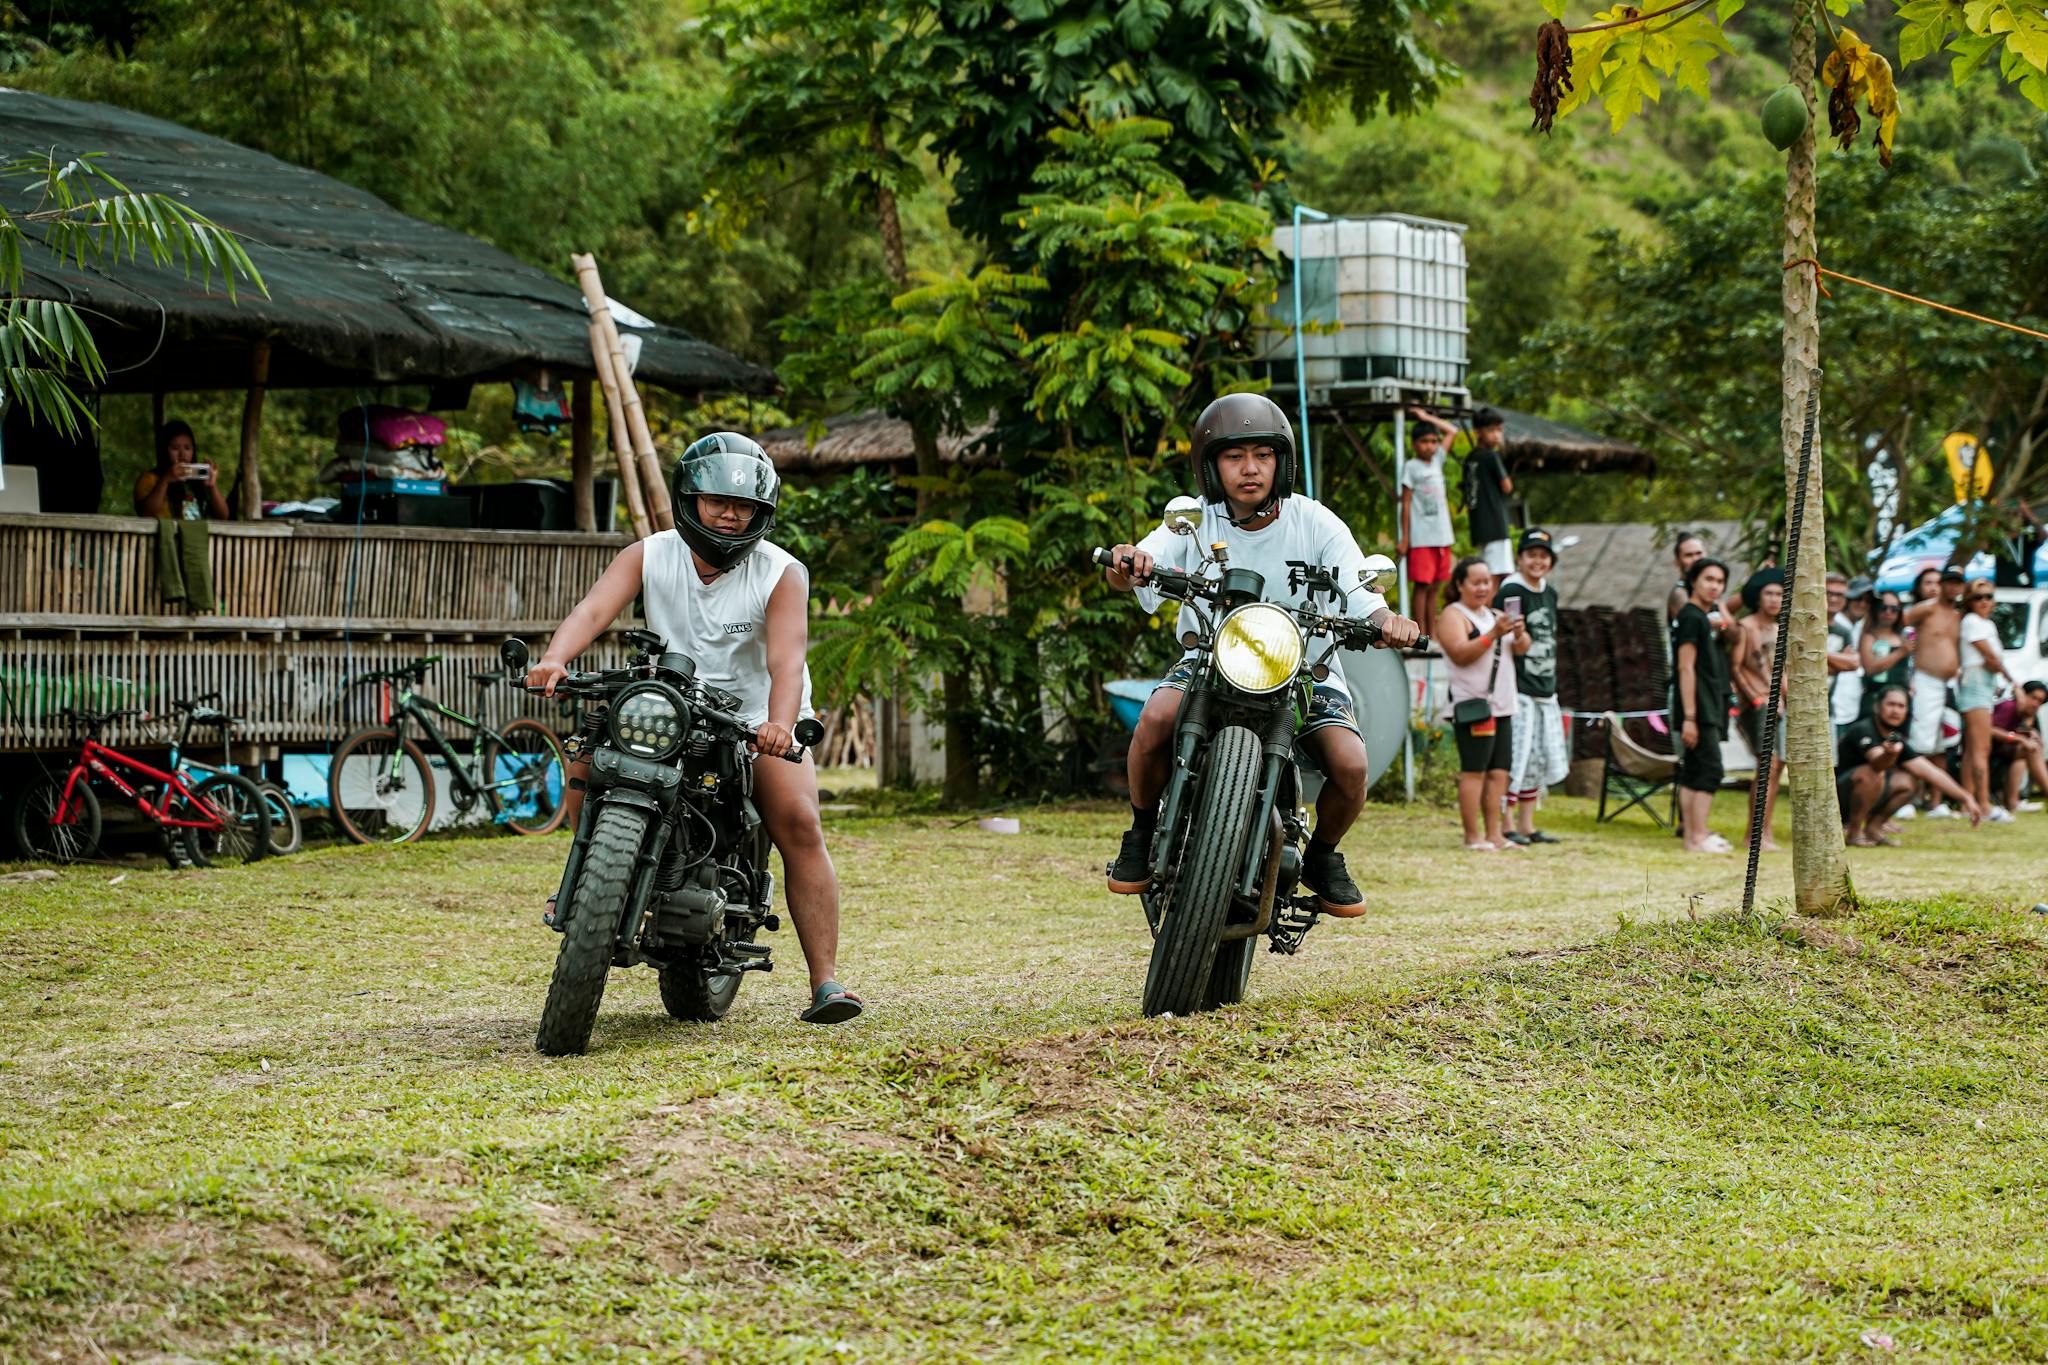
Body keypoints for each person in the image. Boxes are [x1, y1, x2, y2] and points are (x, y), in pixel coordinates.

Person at [525, 432, 861, 1025]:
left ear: (762, 513)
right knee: (585, 760)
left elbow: (786, 659)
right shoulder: (649, 554)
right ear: (690, 499)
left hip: (755, 719)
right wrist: (556, 658)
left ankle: (825, 982)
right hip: (668, 705)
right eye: (717, 503)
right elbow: (594, 611)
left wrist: (781, 724)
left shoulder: (781, 571)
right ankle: (589, 884)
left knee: (800, 822)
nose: (731, 516)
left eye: (744, 508)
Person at [1102, 393, 1421, 915]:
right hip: (1210, 658)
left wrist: (1388, 622)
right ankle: (1140, 831)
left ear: (1282, 461)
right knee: (1156, 717)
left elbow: (1365, 595)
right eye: (1234, 456)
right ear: (1212, 466)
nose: (1250, 469)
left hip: (1304, 671)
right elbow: (1137, 564)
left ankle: (1323, 854)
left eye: (1262, 455)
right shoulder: (1194, 522)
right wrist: (1126, 561)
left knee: (1350, 765)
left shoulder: (1316, 522)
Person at [1439, 556, 1528, 851]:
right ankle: (1472, 836)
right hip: (1474, 705)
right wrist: (1494, 634)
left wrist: (1517, 632)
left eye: (1486, 582)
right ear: (1460, 584)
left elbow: (1523, 648)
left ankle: (1495, 834)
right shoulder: (1453, 614)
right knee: (1475, 770)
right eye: (1475, 582)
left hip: (1503, 705)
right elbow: (1460, 654)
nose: (1482, 587)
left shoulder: (1494, 614)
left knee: (1500, 771)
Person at [1837, 685, 1983, 845]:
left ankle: (1874, 829)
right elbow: (1877, 763)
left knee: (1908, 781)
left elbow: (1931, 773)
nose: (1895, 711)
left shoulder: (1895, 738)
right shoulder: (1863, 729)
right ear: (1877, 707)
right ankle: (1854, 833)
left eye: (1901, 706)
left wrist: (1966, 797)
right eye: (1891, 704)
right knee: (1870, 774)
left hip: (1866, 796)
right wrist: (1889, 754)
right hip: (1838, 799)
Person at [1496, 528, 1568, 845]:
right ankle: (1506, 822)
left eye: (1544, 556)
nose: (1538, 561)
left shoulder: (1549, 591)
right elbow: (1509, 637)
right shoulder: (1512, 589)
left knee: (1537, 757)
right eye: (1532, 555)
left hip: (1545, 685)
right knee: (1516, 757)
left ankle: (1528, 824)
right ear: (1520, 558)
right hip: (1520, 687)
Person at [1672, 557, 1735, 853]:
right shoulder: (1691, 617)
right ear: (1693, 581)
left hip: (1710, 703)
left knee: (1694, 770)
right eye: (1709, 579)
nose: (1715, 586)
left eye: (1720, 582)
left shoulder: (1706, 617)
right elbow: (1685, 668)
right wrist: (1690, 717)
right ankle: (1696, 837)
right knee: (1711, 770)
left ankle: (1694, 835)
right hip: (1698, 707)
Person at [1731, 567, 1786, 852]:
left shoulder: (1780, 630)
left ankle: (1765, 829)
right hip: (1758, 705)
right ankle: (1753, 834)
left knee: (1776, 769)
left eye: (1779, 594)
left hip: (1780, 705)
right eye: (1769, 594)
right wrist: (1752, 697)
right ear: (1758, 596)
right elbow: (1736, 666)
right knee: (1768, 765)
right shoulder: (1746, 627)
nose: (1775, 599)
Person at [1903, 567, 1966, 810]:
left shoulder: (1958, 615)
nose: (1952, 588)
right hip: (1925, 680)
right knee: (1919, 741)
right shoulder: (1927, 608)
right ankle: (1909, 797)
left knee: (1942, 744)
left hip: (1949, 685)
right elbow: (1900, 625)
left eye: (1957, 583)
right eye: (1948, 582)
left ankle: (1936, 802)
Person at [1957, 577, 2020, 822]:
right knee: (1981, 748)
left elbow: (1992, 661)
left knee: (1974, 748)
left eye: (1988, 596)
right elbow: (1992, 658)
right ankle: (1983, 804)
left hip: (1982, 683)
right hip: (1976, 684)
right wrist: (2011, 682)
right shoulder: (1973, 622)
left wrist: (1996, 671)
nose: (1984, 601)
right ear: (1969, 601)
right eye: (1978, 597)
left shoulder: (1985, 624)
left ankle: (1969, 801)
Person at [1398, 414, 1458, 641]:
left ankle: (1431, 635)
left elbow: (1452, 430)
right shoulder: (1411, 467)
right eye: (1425, 441)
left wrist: (1423, 416)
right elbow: (1405, 503)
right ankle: (1420, 633)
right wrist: (1405, 538)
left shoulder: (1437, 461)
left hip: (1442, 536)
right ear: (1414, 444)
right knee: (1422, 587)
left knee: (1435, 587)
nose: (1431, 446)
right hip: (1422, 537)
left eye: (1434, 441)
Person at [134, 420, 231, 521]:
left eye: (187, 448)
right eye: (175, 448)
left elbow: (223, 516)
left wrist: (212, 487)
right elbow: (146, 513)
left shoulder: (199, 479)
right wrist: (165, 480)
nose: (182, 454)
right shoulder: (149, 479)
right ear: (163, 450)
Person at [1990, 681, 2048, 814]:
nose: (2036, 704)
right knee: (2029, 749)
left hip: (2000, 752)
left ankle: (2012, 802)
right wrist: (2019, 738)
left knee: (2026, 752)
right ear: (2023, 695)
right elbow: (1990, 729)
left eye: (2040, 701)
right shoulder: (2009, 706)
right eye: (2033, 698)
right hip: (1985, 752)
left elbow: (2009, 731)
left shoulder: (2022, 713)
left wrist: (2027, 732)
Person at [1858, 591, 1915, 719]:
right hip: (1875, 699)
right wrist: (1900, 652)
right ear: (1876, 609)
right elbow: (1870, 668)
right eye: (1883, 608)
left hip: (1901, 699)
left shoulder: (1903, 635)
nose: (1888, 612)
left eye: (1894, 609)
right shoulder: (1869, 636)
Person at [1826, 573, 1869, 740]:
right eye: (1829, 593)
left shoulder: (1843, 631)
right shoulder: (1805, 624)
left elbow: (1853, 663)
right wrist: (1838, 661)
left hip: (1829, 706)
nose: (1834, 599)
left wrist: (1819, 654)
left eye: (1840, 595)